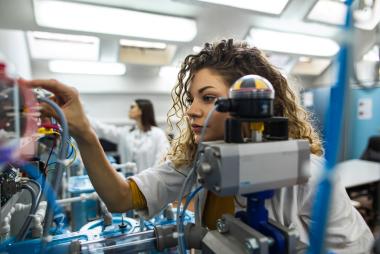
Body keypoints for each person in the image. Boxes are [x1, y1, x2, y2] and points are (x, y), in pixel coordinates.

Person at [24, 39, 373, 253]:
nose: (191, 109)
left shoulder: (301, 172)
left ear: (249, 104)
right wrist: (85, 133)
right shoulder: (200, 160)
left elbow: (351, 246)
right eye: (191, 98)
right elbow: (119, 198)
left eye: (208, 98)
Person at [88, 99, 169, 172]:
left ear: (141, 111)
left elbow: (161, 161)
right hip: (127, 183)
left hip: (149, 183)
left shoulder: (158, 134)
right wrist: (84, 116)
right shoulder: (126, 132)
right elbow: (103, 129)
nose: (129, 110)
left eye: (132, 107)